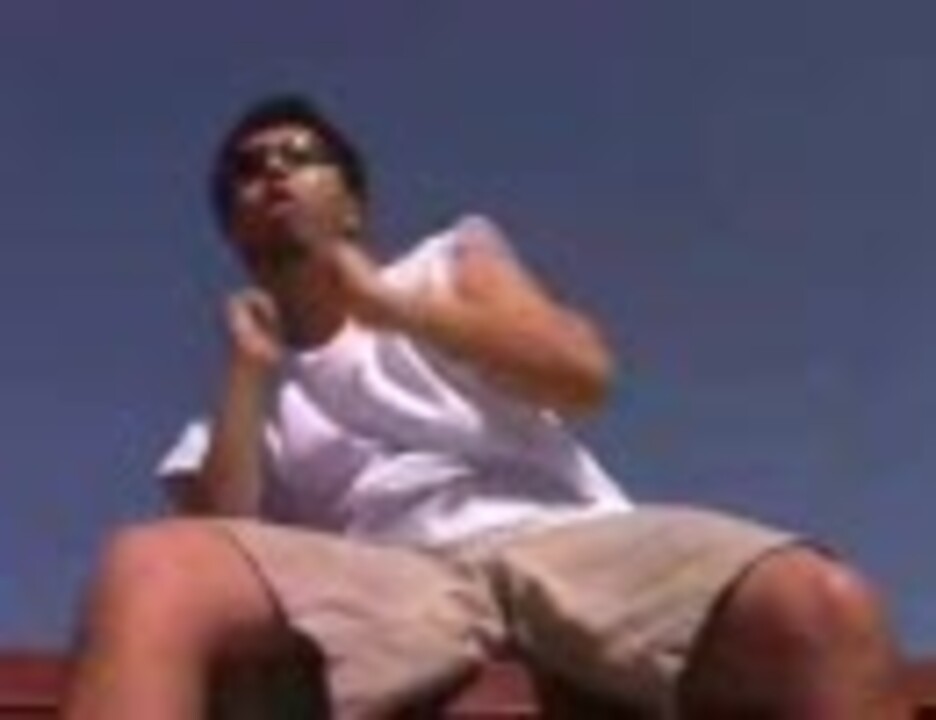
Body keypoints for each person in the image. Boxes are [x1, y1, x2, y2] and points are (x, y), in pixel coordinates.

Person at [64, 94, 910, 719]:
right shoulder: (241, 395)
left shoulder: (446, 265)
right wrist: (249, 372)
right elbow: (220, 531)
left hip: (562, 540)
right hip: (391, 579)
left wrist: (397, 311)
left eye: (300, 156)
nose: (274, 172)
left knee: (822, 606)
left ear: (353, 205)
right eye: (249, 170)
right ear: (235, 230)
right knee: (148, 568)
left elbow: (581, 376)